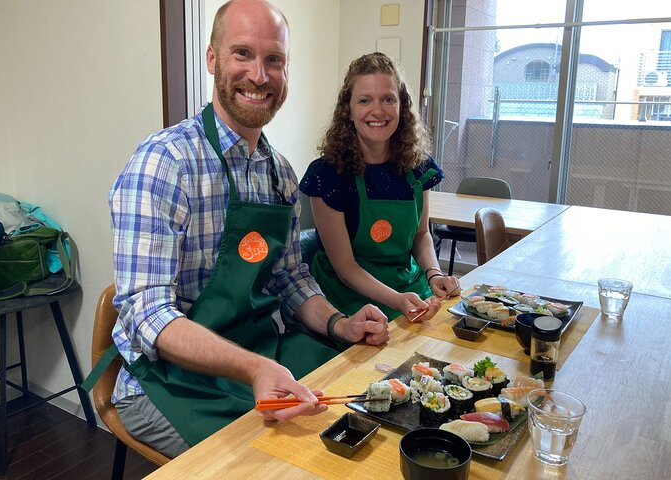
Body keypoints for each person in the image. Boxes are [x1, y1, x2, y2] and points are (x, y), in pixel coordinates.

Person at [97, 0, 389, 459]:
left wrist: (339, 322)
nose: (259, 75)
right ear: (212, 59)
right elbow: (146, 315)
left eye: (274, 59)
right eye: (242, 54)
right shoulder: (164, 164)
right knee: (281, 462)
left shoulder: (280, 174)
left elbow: (290, 279)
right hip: (168, 380)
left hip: (259, 354)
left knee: (359, 413)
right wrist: (254, 368)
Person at [300, 52, 459, 323]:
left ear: (401, 107)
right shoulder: (328, 175)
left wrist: (434, 273)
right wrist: (396, 300)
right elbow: (345, 268)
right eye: (365, 100)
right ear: (348, 111)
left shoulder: (418, 166)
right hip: (348, 299)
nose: (378, 111)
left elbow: (421, 235)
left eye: (388, 99)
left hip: (409, 288)